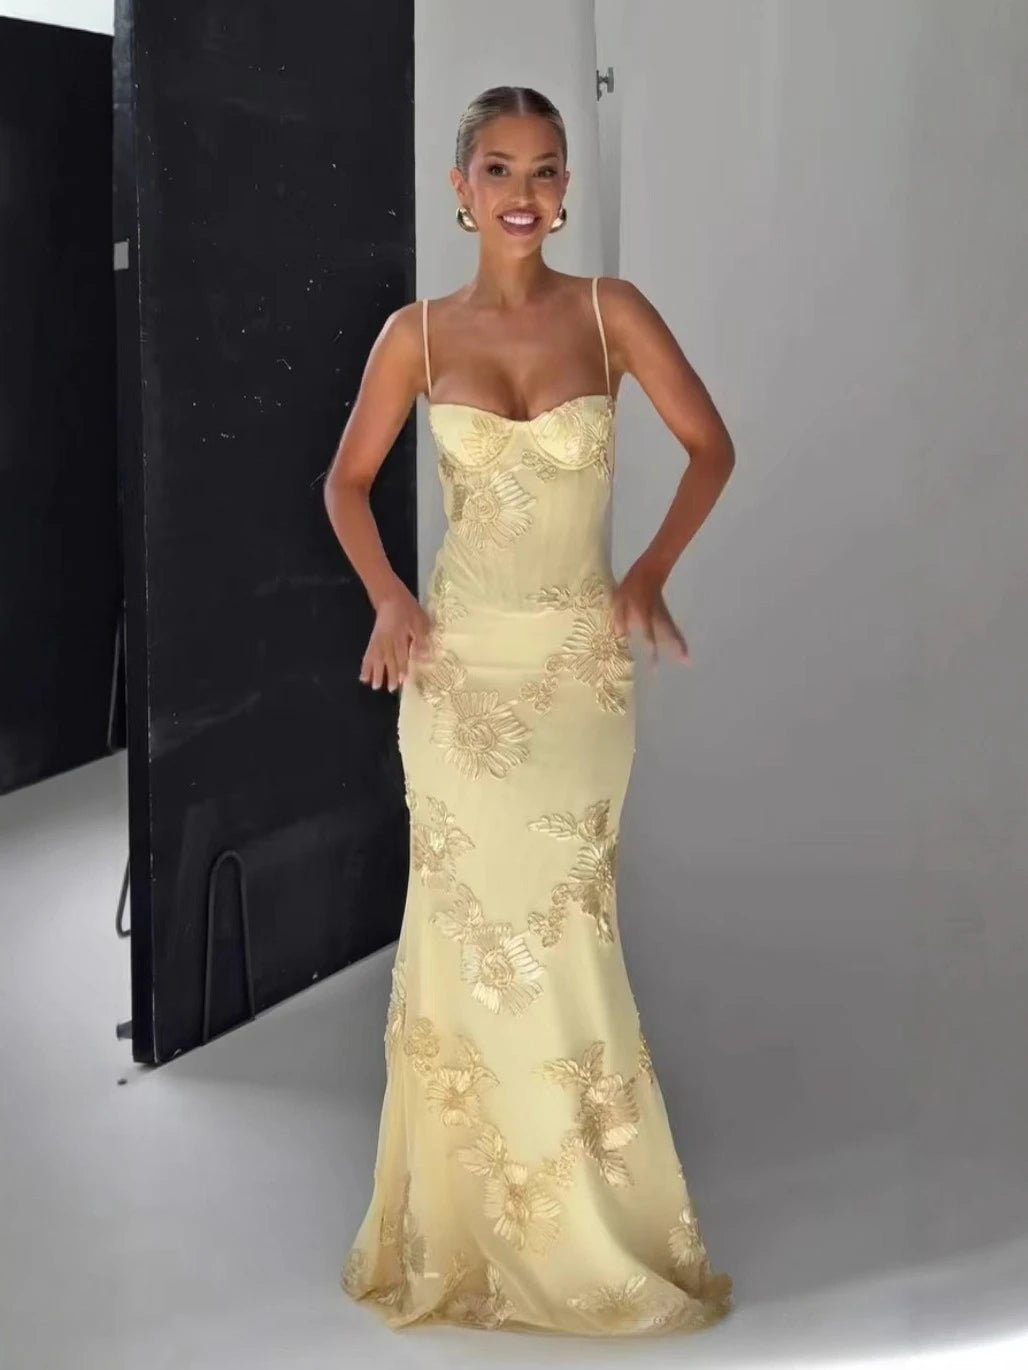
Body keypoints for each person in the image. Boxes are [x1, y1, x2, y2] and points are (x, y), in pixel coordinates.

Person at [324, 84, 736, 1337]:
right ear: (460, 189)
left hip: (572, 671)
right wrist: (389, 596)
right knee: (457, 941)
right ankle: (461, 1228)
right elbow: (345, 483)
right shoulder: (415, 334)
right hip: (454, 674)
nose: (522, 192)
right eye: (497, 169)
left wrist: (645, 571)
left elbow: (709, 445)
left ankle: (587, 1231)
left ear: (564, 190)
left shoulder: (612, 314)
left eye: (544, 169)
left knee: (562, 938)